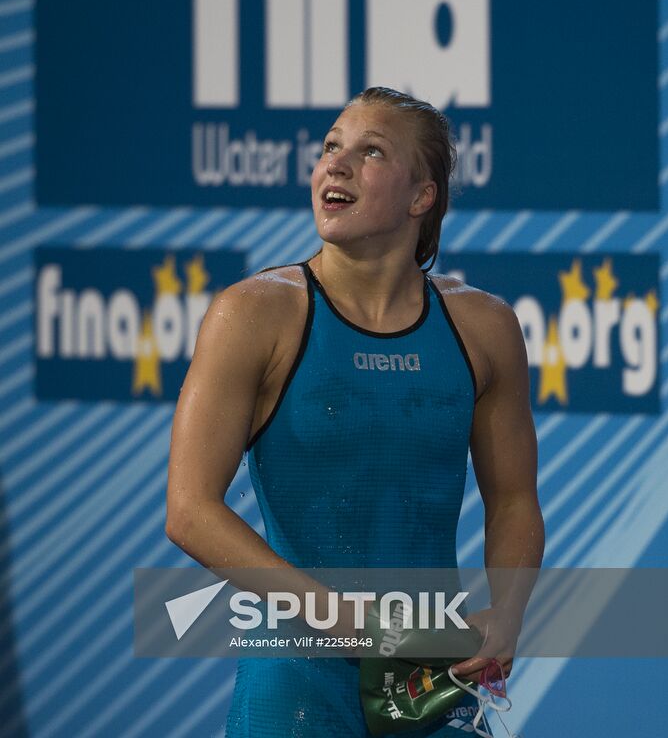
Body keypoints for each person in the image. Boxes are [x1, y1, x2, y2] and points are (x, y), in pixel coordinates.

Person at [165, 86, 544, 737]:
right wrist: (359, 628)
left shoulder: (483, 327)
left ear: (421, 196)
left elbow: (511, 499)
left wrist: (506, 614)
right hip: (297, 688)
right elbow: (189, 511)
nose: (333, 166)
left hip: (430, 682)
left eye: (369, 152)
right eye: (329, 147)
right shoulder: (254, 315)